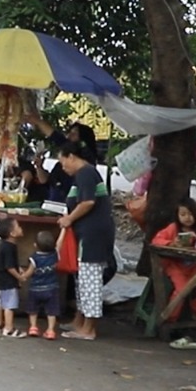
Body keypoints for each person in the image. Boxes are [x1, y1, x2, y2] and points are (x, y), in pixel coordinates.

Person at [56, 140, 115, 340]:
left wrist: (69, 219)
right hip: (83, 234)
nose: (63, 168)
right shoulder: (81, 176)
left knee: (90, 279)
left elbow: (88, 202)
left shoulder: (86, 173)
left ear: (72, 156)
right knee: (81, 279)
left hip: (93, 235)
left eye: (63, 162)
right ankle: (79, 320)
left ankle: (89, 328)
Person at [150, 196, 196, 348]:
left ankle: (194, 313)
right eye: (183, 214)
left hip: (195, 267)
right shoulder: (172, 229)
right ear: (178, 216)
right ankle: (171, 319)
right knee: (181, 289)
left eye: (190, 214)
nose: (187, 218)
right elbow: (156, 241)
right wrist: (171, 244)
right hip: (175, 266)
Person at [28, 116, 99, 201]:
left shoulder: (86, 157)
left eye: (74, 134)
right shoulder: (60, 166)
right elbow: (46, 181)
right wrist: (39, 167)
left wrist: (38, 121)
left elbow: (58, 139)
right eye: (69, 133)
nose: (68, 136)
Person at [21, 229, 62, 340]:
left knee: (33, 310)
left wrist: (23, 275)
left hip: (35, 288)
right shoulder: (54, 255)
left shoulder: (34, 258)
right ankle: (50, 330)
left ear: (35, 245)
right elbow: (60, 243)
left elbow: (29, 272)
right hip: (52, 288)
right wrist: (63, 230)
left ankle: (33, 327)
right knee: (51, 311)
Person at [0, 217, 28, 337]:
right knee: (10, 305)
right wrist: (19, 277)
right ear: (12, 233)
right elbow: (9, 267)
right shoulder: (9, 247)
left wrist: (19, 269)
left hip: (2, 279)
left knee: (2, 301)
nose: (21, 228)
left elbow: (11, 263)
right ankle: (9, 328)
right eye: (18, 226)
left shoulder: (6, 246)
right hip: (9, 280)